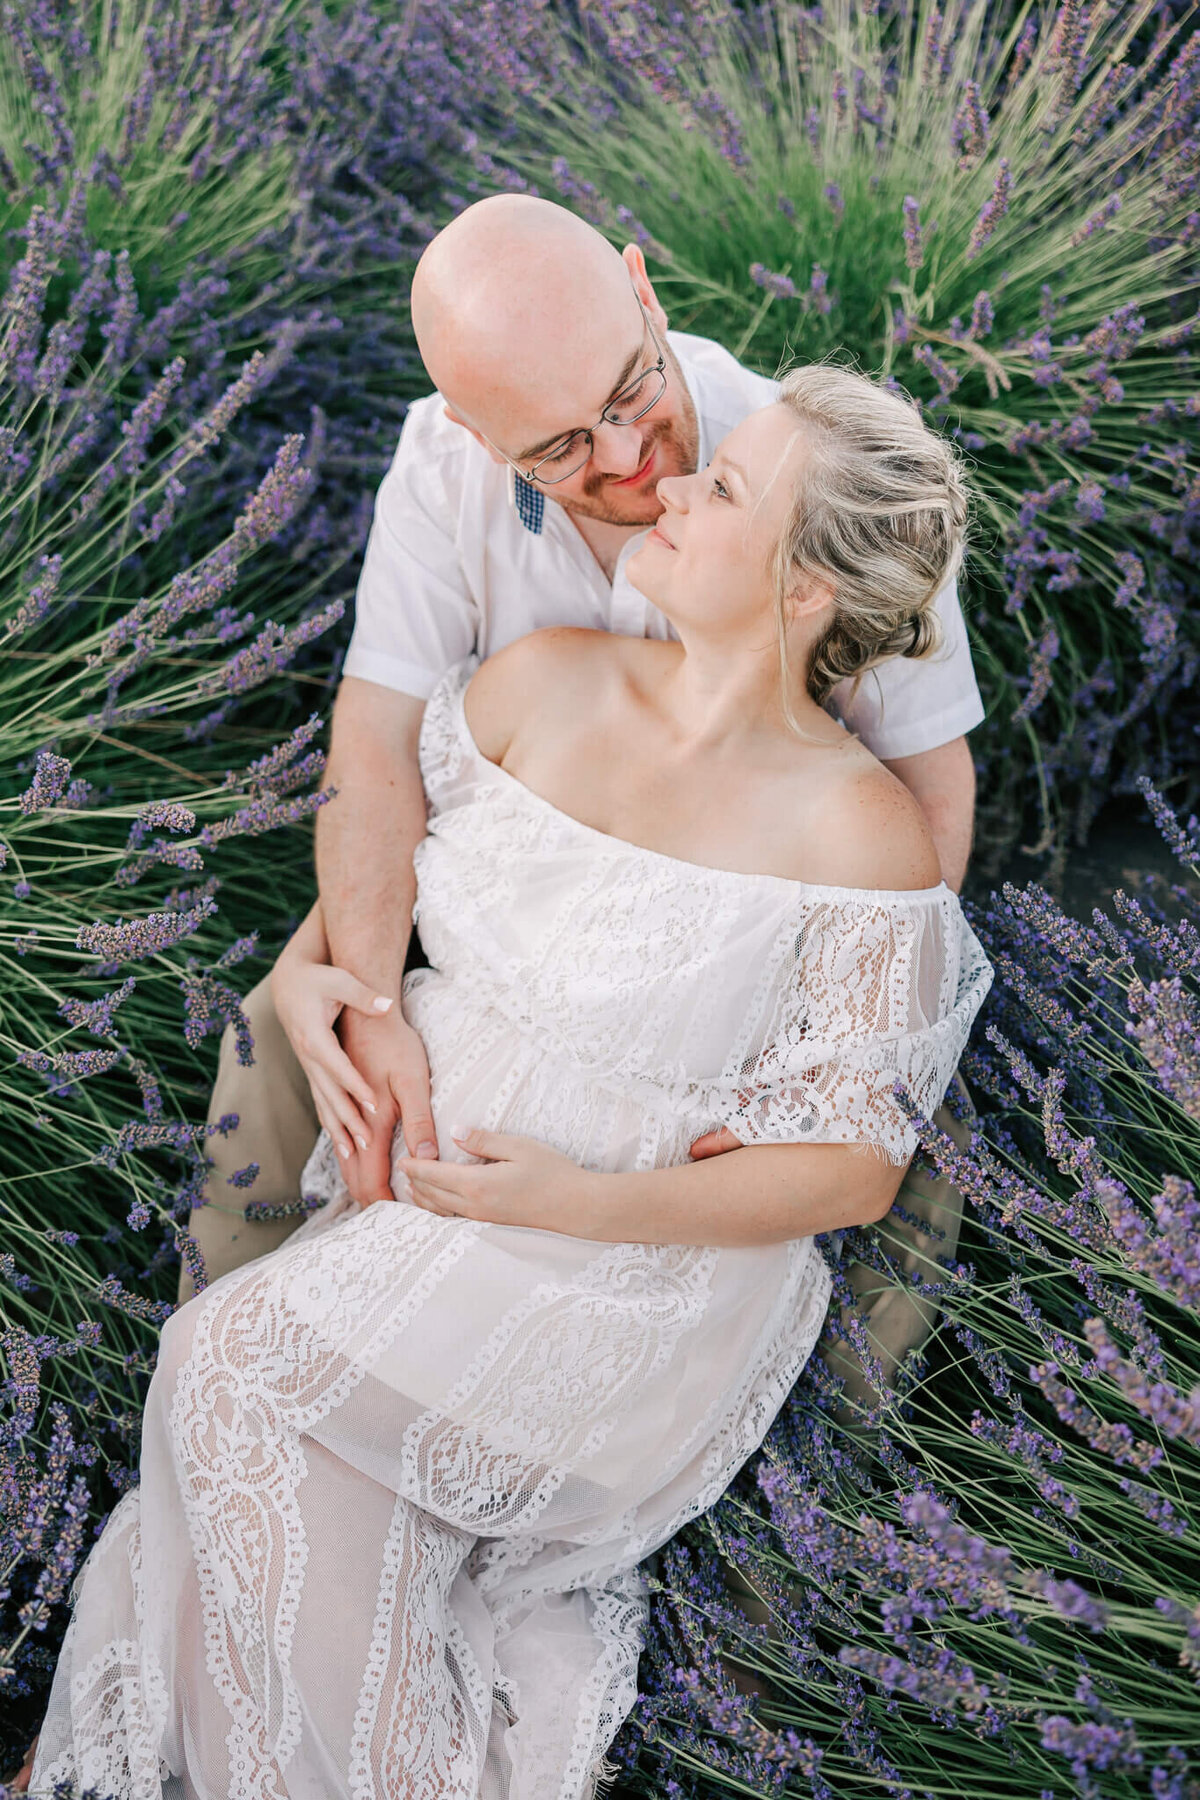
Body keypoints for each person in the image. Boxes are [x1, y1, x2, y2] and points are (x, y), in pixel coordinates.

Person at [25, 364, 993, 1800]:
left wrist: (583, 1196)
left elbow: (852, 1173)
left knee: (228, 1367)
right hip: (415, 1222)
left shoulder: (858, 836)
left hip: (629, 1284)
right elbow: (397, 855)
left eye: (722, 488)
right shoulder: (540, 682)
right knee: (303, 1490)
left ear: (802, 591)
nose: (669, 483)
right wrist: (312, 973)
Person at [177, 194, 985, 1305]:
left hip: (730, 955)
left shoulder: (811, 480)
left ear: (644, 293)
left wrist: (809, 1064)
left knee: (908, 1174)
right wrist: (365, 995)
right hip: (498, 902)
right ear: (471, 426)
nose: (631, 462)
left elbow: (931, 797)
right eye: (558, 448)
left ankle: (833, 1463)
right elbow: (377, 746)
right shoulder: (444, 470)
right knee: (280, 1044)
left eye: (632, 391)